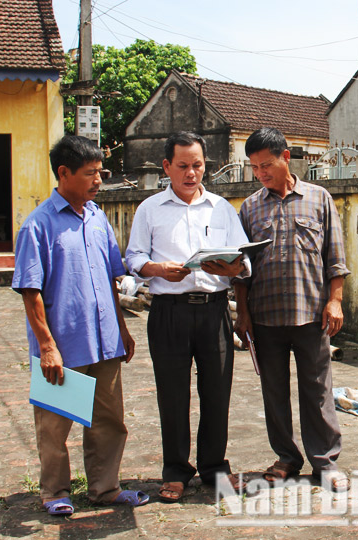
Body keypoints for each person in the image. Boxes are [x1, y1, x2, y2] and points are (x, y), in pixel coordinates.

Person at [12, 134, 148, 516]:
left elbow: (110, 278)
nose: (99, 181)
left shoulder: (97, 218)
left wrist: (121, 329)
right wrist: (47, 347)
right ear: (64, 173)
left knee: (108, 420)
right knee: (55, 426)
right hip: (65, 344)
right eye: (90, 174)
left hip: (104, 341)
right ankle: (55, 491)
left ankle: (105, 488)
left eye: (100, 173)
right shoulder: (37, 226)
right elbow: (30, 292)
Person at [124, 131, 249, 502]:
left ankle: (214, 469)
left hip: (214, 312)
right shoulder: (149, 209)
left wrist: (234, 269)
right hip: (169, 312)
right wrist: (158, 269)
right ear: (167, 167)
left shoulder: (222, 208)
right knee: (173, 395)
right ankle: (176, 470)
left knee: (217, 392)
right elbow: (132, 259)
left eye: (197, 165)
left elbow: (243, 259)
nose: (191, 173)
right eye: (183, 166)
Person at [234, 127, 351, 492]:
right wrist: (242, 313)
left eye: (266, 164)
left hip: (311, 315)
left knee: (317, 390)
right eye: (254, 168)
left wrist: (335, 300)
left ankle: (325, 462)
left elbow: (335, 257)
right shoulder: (250, 208)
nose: (261, 173)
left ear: (286, 157)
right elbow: (241, 269)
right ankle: (286, 456)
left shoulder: (319, 199)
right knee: (274, 391)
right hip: (265, 316)